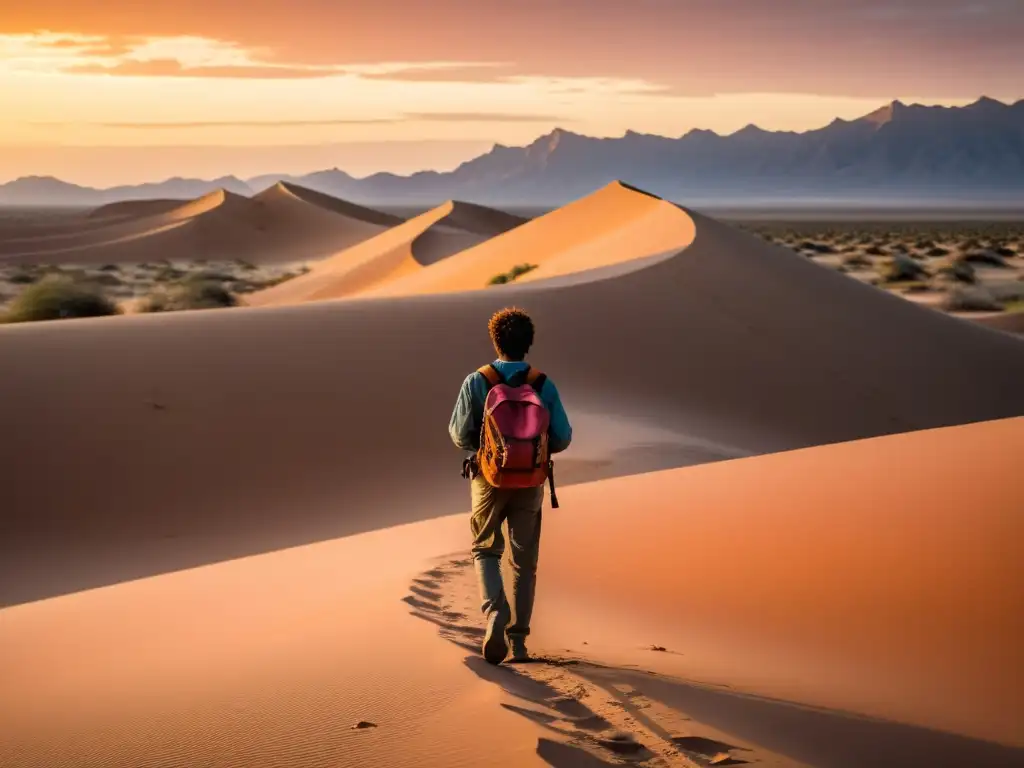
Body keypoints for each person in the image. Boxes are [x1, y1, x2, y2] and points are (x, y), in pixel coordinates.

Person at [448, 307, 572, 664]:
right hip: (531, 480)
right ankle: (518, 643)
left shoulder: (477, 381)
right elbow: (562, 438)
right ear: (528, 343)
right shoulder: (542, 384)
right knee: (523, 563)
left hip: (488, 478)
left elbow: (459, 435)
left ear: (495, 340)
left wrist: (489, 448)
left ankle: (494, 613)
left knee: (486, 550)